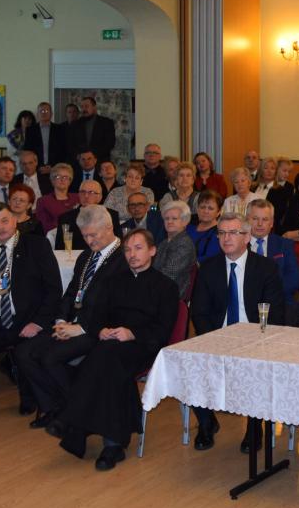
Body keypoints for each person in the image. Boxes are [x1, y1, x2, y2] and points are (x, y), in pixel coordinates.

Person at [50, 229, 180, 470]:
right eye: (127, 250)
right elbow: (95, 317)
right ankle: (113, 444)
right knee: (108, 362)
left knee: (102, 359)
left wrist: (132, 334)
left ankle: (73, 423)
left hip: (143, 346)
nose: (132, 254)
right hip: (110, 344)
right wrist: (100, 330)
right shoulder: (113, 283)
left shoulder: (166, 287)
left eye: (138, 248)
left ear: (152, 251)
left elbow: (162, 331)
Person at [16, 205, 126, 430]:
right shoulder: (86, 256)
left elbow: (116, 307)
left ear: (109, 228)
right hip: (70, 324)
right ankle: (54, 406)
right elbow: (71, 293)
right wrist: (60, 321)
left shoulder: (123, 258)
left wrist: (82, 327)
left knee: (50, 357)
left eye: (93, 235)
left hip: (98, 329)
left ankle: (76, 410)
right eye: (85, 236)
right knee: (23, 353)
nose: (89, 241)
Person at [187, 212, 286, 449]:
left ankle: (254, 426)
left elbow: (275, 312)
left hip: (255, 339)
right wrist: (216, 340)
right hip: (217, 337)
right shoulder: (208, 268)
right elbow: (199, 312)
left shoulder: (266, 268)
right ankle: (207, 422)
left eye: (233, 232)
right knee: (190, 365)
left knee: (256, 367)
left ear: (247, 237)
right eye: (221, 233)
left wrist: (251, 340)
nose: (226, 238)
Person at [247, 200, 299, 298]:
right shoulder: (238, 245)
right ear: (247, 220)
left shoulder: (284, 244)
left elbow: (293, 279)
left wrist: (270, 295)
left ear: (271, 223)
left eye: (265, 219)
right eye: (255, 218)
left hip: (279, 299)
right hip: (247, 300)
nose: (260, 223)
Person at [55, 180, 120, 247]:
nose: (86, 196)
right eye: (83, 192)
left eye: (91, 192)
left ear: (100, 197)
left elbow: (117, 244)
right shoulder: (66, 218)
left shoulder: (112, 215)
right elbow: (59, 247)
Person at [153, 200, 196, 297]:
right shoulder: (164, 242)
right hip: (158, 289)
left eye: (174, 218)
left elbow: (167, 275)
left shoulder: (184, 244)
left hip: (171, 294)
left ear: (185, 221)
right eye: (166, 218)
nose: (169, 221)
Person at [71, 96, 116, 167]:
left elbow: (110, 143)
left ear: (94, 107)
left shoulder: (106, 122)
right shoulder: (75, 124)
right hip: (81, 162)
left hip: (100, 162)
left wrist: (93, 155)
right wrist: (79, 155)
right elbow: (71, 143)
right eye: (82, 107)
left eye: (86, 106)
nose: (84, 109)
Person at [35, 163, 78, 232]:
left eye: (65, 177)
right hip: (54, 235)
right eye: (58, 177)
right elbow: (44, 225)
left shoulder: (77, 198)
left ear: (70, 181)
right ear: (52, 180)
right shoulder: (43, 201)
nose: (62, 180)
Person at [185, 191, 223, 261]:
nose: (205, 211)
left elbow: (210, 259)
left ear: (218, 212)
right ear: (197, 209)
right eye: (202, 207)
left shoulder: (219, 233)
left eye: (210, 208)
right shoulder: (188, 226)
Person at [31, 101, 66, 171]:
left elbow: (63, 150)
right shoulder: (31, 130)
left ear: (51, 114)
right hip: (36, 168)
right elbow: (29, 150)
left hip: (56, 168)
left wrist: (53, 166)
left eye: (47, 111)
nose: (44, 113)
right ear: (37, 114)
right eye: (42, 111)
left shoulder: (60, 129)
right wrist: (37, 166)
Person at [265, 157, 297, 227]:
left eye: (289, 172)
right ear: (276, 169)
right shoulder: (270, 183)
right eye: (284, 171)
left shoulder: (290, 187)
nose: (287, 174)